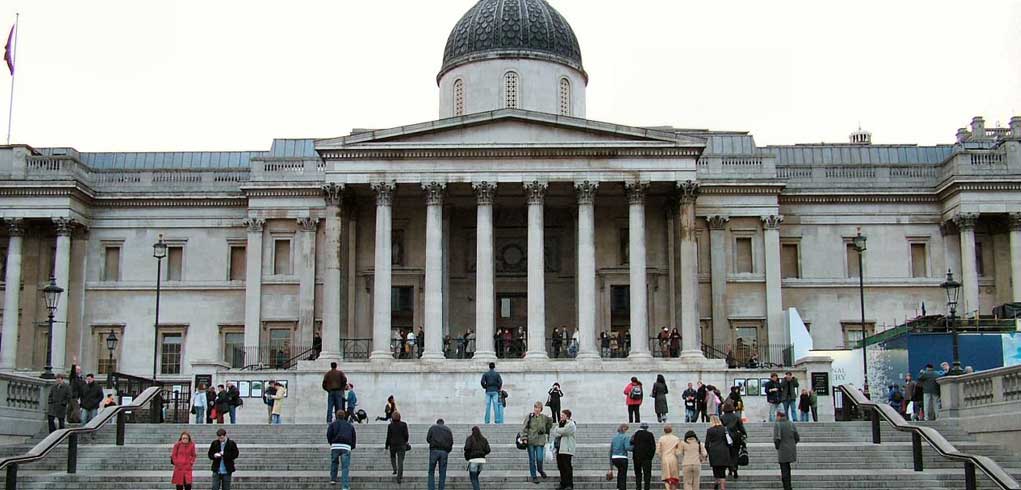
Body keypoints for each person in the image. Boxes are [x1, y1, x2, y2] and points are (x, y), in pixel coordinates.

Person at [522, 401, 553, 483]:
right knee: (532, 459)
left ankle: (540, 470)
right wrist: (524, 438)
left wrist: (550, 419)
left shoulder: (544, 417)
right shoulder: (530, 416)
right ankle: (534, 476)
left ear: (541, 409)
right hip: (531, 441)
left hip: (540, 441)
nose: (537, 409)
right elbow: (524, 428)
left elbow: (549, 427)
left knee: (539, 458)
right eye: (536, 407)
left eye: (538, 408)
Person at [327, 409, 357, 488]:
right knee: (345, 467)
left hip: (335, 446)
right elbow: (353, 437)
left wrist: (331, 443)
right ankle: (345, 486)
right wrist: (352, 446)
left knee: (334, 463)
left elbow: (329, 434)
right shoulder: (349, 425)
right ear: (344, 416)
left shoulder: (332, 425)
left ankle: (333, 479)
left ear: (336, 416)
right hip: (346, 446)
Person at [774, 410, 800, 490]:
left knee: (784, 468)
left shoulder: (778, 424)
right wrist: (792, 444)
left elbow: (777, 438)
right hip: (791, 449)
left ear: (779, 416)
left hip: (782, 449)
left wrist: (777, 446)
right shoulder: (791, 423)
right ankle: (789, 485)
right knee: (788, 468)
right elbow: (797, 437)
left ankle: (787, 486)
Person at [720, 401, 746, 479]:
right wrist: (744, 434)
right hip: (736, 437)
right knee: (735, 454)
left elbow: (720, 428)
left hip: (726, 438)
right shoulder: (736, 417)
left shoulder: (722, 417)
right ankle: (735, 468)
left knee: (727, 454)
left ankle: (730, 469)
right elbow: (741, 427)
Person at [551, 409, 576, 490]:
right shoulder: (559, 424)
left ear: (567, 416)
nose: (561, 416)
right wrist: (558, 431)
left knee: (567, 467)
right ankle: (563, 484)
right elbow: (554, 433)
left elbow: (566, 431)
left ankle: (569, 484)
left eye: (563, 415)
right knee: (561, 467)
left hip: (567, 449)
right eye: (561, 415)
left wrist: (558, 430)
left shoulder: (571, 424)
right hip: (559, 449)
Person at [705, 415, 732, 490]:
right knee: (722, 471)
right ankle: (723, 487)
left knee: (715, 469)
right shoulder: (724, 429)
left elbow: (707, 443)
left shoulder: (710, 430)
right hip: (723, 451)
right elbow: (728, 441)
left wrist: (708, 452)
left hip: (714, 452)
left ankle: (716, 483)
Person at [427, 418, 454, 490]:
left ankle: (431, 488)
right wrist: (448, 450)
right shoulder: (448, 430)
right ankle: (441, 488)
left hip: (434, 451)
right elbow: (451, 441)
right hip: (444, 452)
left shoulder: (432, 428)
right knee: (442, 472)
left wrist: (433, 444)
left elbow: (428, 439)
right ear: (443, 423)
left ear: (437, 422)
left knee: (431, 471)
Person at [385, 410, 410, 484]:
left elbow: (388, 436)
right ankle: (399, 476)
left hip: (392, 445)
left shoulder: (390, 425)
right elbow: (406, 435)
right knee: (400, 461)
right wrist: (405, 441)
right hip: (401, 445)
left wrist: (386, 445)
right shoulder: (404, 424)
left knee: (393, 457)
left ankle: (395, 469)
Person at [464, 426, 491, 490]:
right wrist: (482, 453)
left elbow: (466, 448)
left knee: (473, 478)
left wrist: (469, 455)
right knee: (475, 478)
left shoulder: (470, 438)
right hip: (481, 461)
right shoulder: (483, 439)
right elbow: (488, 450)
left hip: (473, 460)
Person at [656, 424, 682, 490]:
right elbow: (679, 452)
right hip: (673, 458)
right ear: (671, 430)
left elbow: (657, 451)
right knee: (674, 478)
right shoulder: (676, 438)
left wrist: (661, 456)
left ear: (664, 431)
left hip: (665, 458)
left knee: (666, 478)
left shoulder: (661, 438)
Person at [631, 422, 656, 490]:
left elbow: (631, 442)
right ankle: (646, 488)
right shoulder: (650, 434)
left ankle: (638, 487)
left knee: (638, 473)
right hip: (647, 458)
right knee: (647, 474)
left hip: (636, 457)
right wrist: (650, 456)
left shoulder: (636, 434)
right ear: (647, 428)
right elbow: (653, 447)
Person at [610, 424, 632, 490]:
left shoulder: (614, 438)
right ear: (624, 429)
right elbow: (627, 447)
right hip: (622, 457)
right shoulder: (626, 437)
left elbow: (611, 449)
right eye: (626, 429)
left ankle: (618, 487)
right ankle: (622, 488)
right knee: (623, 474)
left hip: (614, 458)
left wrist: (610, 463)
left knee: (620, 472)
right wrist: (634, 447)